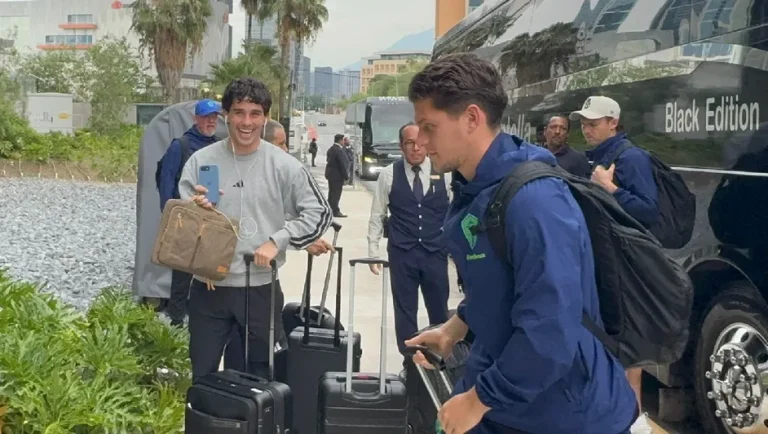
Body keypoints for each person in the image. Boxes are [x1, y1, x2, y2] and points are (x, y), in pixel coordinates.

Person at [404, 53, 639, 434]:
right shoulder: (477, 187)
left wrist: (478, 400)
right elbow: (502, 281)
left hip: (560, 412)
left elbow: (549, 331)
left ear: (472, 118)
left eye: (429, 126)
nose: (421, 140)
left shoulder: (535, 202)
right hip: (506, 400)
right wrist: (455, 328)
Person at [179, 77, 333, 380]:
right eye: (238, 112)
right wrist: (195, 214)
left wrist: (279, 240)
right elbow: (180, 227)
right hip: (209, 289)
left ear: (265, 118)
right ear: (226, 115)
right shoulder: (201, 162)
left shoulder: (284, 165)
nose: (246, 122)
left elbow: (320, 213)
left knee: (257, 378)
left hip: (260, 288)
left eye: (255, 113)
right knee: (203, 375)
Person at [570, 95, 659, 434]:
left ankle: (631, 424)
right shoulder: (596, 157)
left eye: (593, 123)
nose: (586, 129)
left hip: (624, 273)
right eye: (583, 123)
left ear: (613, 122)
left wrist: (609, 189)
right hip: (603, 268)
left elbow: (648, 211)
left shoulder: (631, 158)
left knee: (628, 360)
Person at [367, 121, 451, 364]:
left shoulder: (444, 174)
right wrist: (373, 252)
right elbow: (377, 215)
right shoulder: (389, 174)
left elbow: (456, 213)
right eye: (409, 143)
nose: (415, 148)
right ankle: (410, 363)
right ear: (401, 146)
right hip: (402, 254)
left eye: (420, 143)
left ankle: (441, 360)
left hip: (435, 252)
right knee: (405, 311)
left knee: (439, 309)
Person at [157, 98, 222, 327]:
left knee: (208, 269)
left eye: (214, 117)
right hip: (185, 220)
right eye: (206, 117)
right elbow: (166, 183)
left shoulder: (219, 147)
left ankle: (203, 318)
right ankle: (176, 319)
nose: (211, 121)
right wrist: (170, 218)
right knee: (182, 273)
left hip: (211, 221)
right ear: (196, 119)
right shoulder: (180, 145)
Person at [325, 133, 349, 218]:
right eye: (343, 140)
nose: (344, 142)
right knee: (336, 194)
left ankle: (329, 210)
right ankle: (335, 211)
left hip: (330, 175)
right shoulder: (338, 150)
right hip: (337, 176)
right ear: (340, 140)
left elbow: (328, 161)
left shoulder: (331, 149)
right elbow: (342, 164)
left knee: (331, 193)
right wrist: (346, 176)